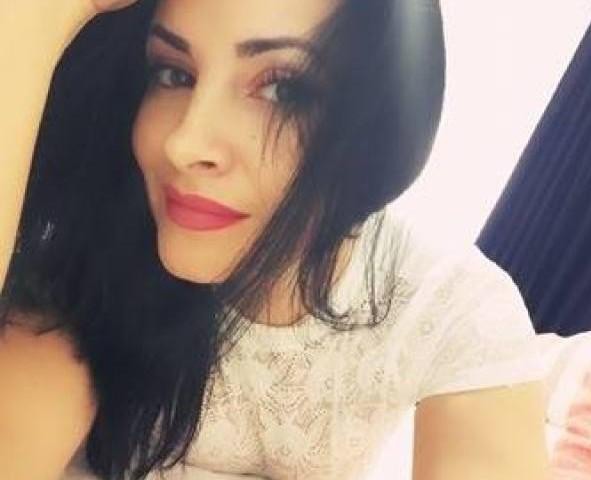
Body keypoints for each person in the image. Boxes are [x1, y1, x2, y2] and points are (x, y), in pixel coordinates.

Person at [0, 0, 549, 479]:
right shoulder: (83, 277)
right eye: (173, 73)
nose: (184, 144)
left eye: (283, 88)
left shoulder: (444, 306)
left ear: (377, 120)